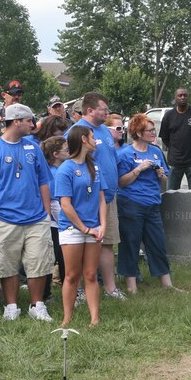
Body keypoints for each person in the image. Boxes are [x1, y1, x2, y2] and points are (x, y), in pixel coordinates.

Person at [0, 103, 55, 322]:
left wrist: (47, 212)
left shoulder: (33, 147)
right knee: (6, 264)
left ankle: (37, 305)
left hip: (36, 217)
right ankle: (11, 306)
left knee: (38, 263)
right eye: (29, 120)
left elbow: (43, 181)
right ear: (16, 122)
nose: (33, 124)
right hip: (5, 218)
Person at [69, 94, 127, 300]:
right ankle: (80, 291)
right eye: (103, 109)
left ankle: (110, 289)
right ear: (90, 110)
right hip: (89, 198)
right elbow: (72, 164)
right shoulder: (77, 132)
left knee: (107, 242)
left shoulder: (104, 130)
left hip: (108, 197)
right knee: (84, 245)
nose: (107, 112)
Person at [116, 114, 179, 292]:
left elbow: (165, 177)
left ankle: (167, 284)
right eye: (149, 130)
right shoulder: (125, 154)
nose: (154, 133)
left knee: (157, 243)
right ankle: (131, 286)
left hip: (152, 204)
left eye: (154, 129)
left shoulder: (156, 151)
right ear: (138, 132)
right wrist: (138, 169)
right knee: (131, 243)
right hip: (131, 204)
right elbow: (121, 182)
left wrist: (161, 175)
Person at [55, 126, 106, 326]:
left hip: (94, 228)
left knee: (91, 274)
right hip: (72, 229)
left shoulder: (95, 166)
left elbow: (101, 198)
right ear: (84, 139)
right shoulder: (65, 169)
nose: (95, 140)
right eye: (93, 137)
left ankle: (95, 319)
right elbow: (65, 205)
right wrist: (84, 228)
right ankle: (67, 318)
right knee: (72, 275)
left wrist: (102, 225)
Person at [159, 87, 191, 190]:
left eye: (185, 95)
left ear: (188, 97)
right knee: (171, 194)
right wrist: (174, 148)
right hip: (175, 162)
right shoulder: (168, 116)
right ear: (175, 98)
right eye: (180, 95)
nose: (183, 97)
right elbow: (165, 137)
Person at [41, 135, 69, 305]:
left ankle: (71, 290)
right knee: (51, 258)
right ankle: (46, 293)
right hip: (55, 223)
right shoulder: (51, 173)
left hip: (61, 222)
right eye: (66, 150)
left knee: (64, 259)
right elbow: (53, 201)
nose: (70, 152)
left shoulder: (62, 169)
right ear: (56, 153)